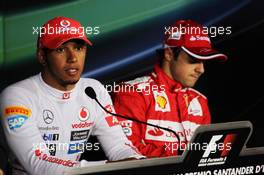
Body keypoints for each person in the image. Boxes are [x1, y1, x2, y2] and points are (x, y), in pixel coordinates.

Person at [0, 16, 143, 175]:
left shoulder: (94, 90)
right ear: (42, 56)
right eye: (61, 49)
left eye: (78, 48)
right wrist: (108, 165)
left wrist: (137, 161)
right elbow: (38, 164)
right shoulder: (17, 96)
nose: (73, 58)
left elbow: (118, 146)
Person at [113, 19, 228, 158]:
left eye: (204, 61)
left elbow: (203, 157)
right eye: (193, 60)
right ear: (169, 54)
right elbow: (127, 152)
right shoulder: (134, 93)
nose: (201, 69)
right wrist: (180, 156)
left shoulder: (200, 101)